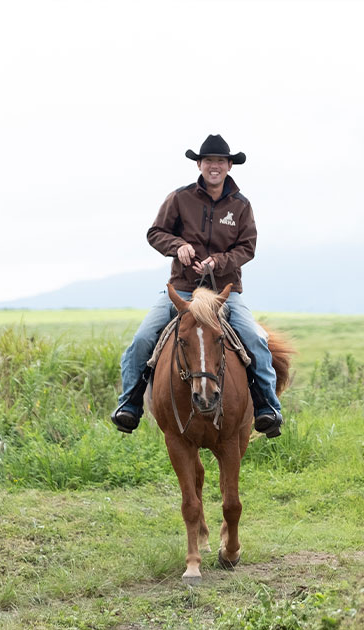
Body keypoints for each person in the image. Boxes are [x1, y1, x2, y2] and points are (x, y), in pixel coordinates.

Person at [111, 134, 285, 437]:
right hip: (183, 290)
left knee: (255, 341)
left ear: (229, 166)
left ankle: (267, 408)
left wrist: (218, 262)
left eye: (220, 161)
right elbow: (155, 233)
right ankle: (130, 405)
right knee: (141, 340)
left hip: (224, 293)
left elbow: (248, 247)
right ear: (200, 165)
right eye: (208, 161)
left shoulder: (241, 206)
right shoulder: (180, 197)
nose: (214, 166)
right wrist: (177, 246)